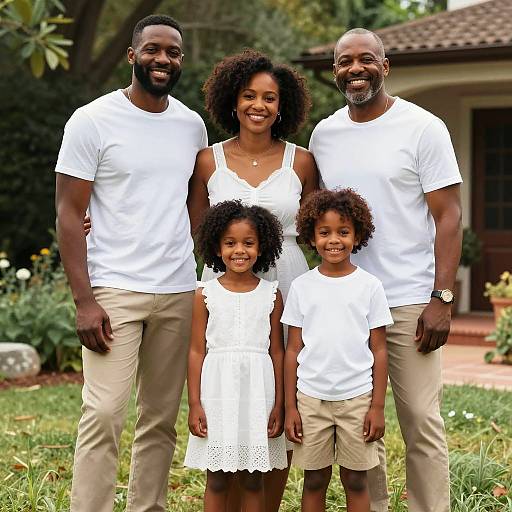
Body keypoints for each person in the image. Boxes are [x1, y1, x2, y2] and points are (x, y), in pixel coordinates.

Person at [55, 15, 207, 512]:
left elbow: (194, 203)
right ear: (132, 54)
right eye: (154, 50)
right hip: (114, 289)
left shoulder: (191, 125)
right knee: (103, 412)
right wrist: (84, 300)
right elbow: (68, 211)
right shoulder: (92, 120)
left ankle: (149, 507)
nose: (163, 59)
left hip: (178, 287)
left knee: (160, 418)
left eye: (173, 53)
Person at [309, 28, 463, 512]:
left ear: (385, 65)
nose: (355, 69)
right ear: (335, 70)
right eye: (345, 62)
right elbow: (311, 213)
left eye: (366, 60)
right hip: (348, 302)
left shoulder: (423, 128)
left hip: (410, 299)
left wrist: (442, 299)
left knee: (420, 418)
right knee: (361, 423)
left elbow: (449, 216)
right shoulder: (324, 134)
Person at [186, 49, 318, 510]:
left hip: (286, 284)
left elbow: (320, 225)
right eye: (248, 95)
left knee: (274, 399)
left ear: (283, 106)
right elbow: (195, 228)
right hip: (224, 289)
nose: (258, 105)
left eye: (269, 97)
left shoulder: (301, 162)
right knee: (231, 396)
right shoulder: (208, 161)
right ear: (233, 100)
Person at [282, 189, 392, 512]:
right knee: (315, 479)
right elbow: (292, 351)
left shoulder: (370, 286)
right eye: (324, 232)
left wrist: (377, 407)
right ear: (311, 236)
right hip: (311, 400)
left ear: (357, 235)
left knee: (356, 480)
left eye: (343, 232)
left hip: (357, 399)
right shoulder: (303, 286)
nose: (334, 240)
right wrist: (291, 407)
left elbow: (380, 350)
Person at [184, 200, 287, 511]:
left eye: (248, 243)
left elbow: (277, 352)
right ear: (217, 247)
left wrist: (280, 404)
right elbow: (196, 350)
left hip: (259, 395)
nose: (239, 250)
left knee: (254, 478)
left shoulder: (271, 293)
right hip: (217, 395)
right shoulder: (204, 294)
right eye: (230, 243)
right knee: (216, 478)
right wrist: (194, 404)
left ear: (262, 247)